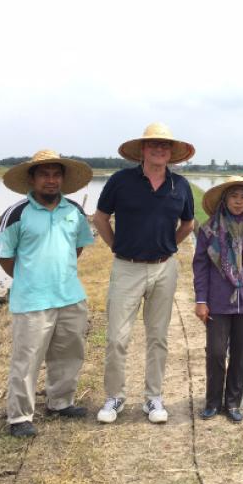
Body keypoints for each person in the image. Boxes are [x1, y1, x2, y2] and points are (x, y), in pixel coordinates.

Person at [93, 122, 195, 424]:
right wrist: (117, 247)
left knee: (158, 337)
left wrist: (167, 247)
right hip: (127, 268)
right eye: (154, 145)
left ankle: (153, 398)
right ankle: (114, 397)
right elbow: (100, 218)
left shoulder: (180, 186)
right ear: (142, 150)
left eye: (165, 146)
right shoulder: (121, 180)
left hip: (164, 268)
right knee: (116, 338)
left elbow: (188, 224)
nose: (160, 149)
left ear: (171, 153)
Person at [0, 150, 94, 437]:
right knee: (27, 359)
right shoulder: (16, 214)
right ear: (32, 179)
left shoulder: (74, 211)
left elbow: (78, 248)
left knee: (69, 353)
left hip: (70, 296)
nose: (51, 180)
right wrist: (28, 277)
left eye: (56, 174)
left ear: (62, 178)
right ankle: (20, 417)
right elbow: (3, 255)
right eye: (44, 175)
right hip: (32, 300)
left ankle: (60, 402)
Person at [192, 176, 243, 423]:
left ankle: (233, 403)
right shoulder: (208, 230)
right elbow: (201, 267)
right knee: (216, 352)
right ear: (224, 200)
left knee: (240, 354)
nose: (238, 202)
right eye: (233, 196)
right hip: (217, 301)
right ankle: (212, 401)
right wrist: (201, 299)